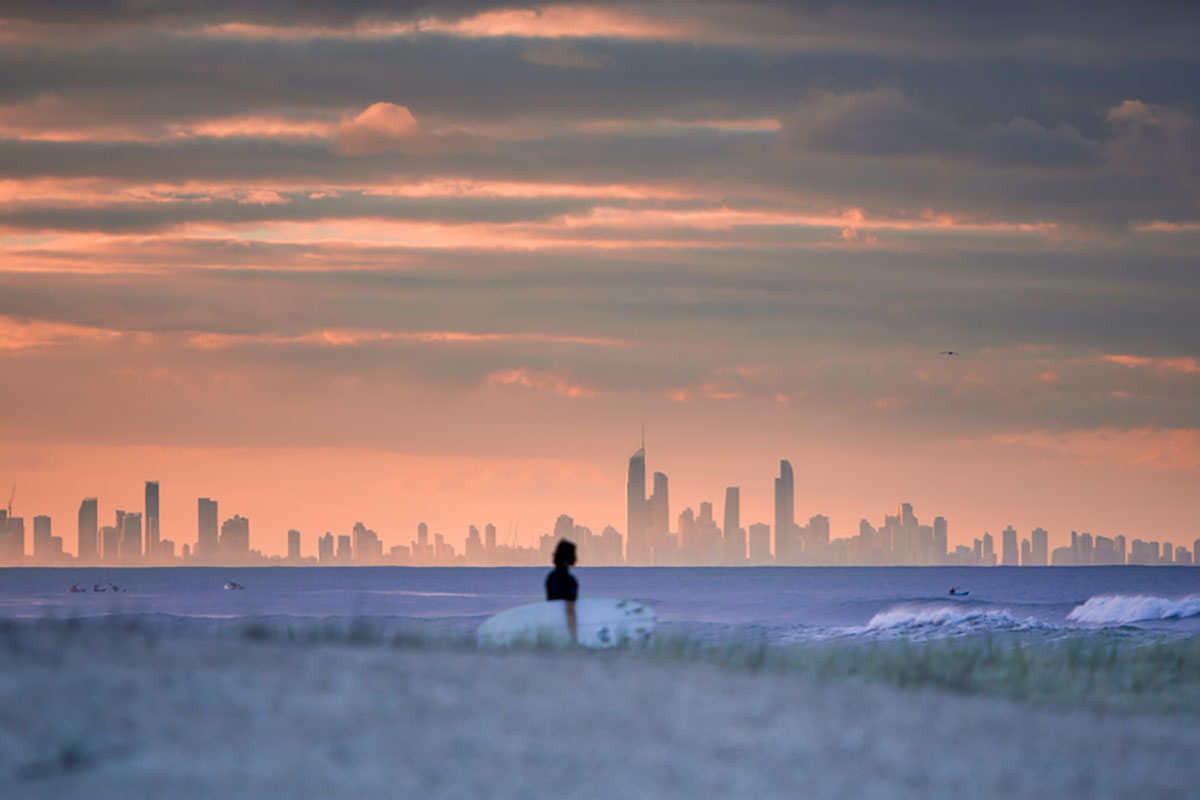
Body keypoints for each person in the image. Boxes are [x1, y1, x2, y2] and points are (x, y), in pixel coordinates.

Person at [545, 539, 578, 643]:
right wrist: (573, 637)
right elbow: (569, 609)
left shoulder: (551, 577)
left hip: (552, 627)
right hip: (564, 628)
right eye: (574, 553)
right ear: (569, 557)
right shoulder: (569, 580)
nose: (576, 557)